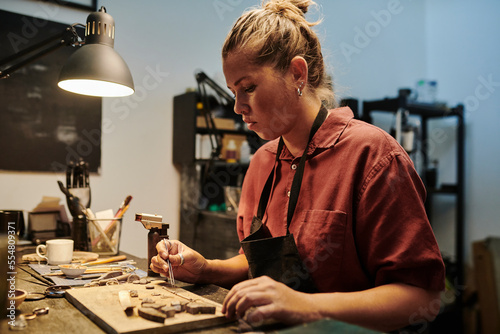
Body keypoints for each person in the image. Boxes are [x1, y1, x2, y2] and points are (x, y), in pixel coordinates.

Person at [151, 0, 445, 331]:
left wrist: (305, 306)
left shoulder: (373, 156)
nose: (237, 106)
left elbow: (423, 298)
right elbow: (256, 262)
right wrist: (208, 269)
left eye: (248, 87)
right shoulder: (263, 161)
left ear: (296, 74)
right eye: (234, 92)